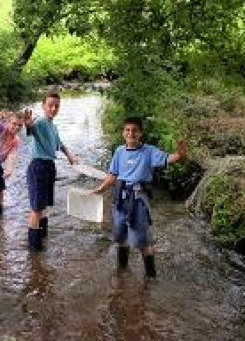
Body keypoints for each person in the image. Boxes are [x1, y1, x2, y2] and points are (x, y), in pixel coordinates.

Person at [91, 117, 187, 278]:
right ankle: (122, 272)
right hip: (120, 199)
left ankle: (151, 278)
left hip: (138, 199)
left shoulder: (149, 151)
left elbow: (170, 159)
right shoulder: (119, 151)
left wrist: (180, 153)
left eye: (134, 130)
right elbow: (113, 175)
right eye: (127, 130)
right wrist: (99, 189)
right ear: (123, 133)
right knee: (120, 237)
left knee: (143, 241)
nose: (131, 133)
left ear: (140, 133)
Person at [24, 90, 78, 252]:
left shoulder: (53, 126)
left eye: (56, 106)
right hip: (38, 167)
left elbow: (59, 144)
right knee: (37, 208)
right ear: (43, 106)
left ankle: (42, 236)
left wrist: (70, 156)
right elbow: (31, 128)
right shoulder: (39, 123)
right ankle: (34, 248)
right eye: (50, 106)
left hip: (49, 167)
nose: (53, 109)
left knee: (45, 205)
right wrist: (27, 124)